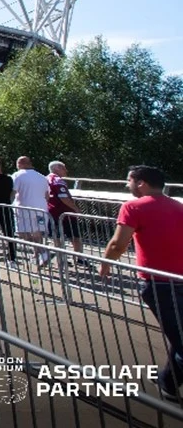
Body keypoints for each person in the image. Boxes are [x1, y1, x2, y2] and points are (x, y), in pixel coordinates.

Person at [102, 165, 183, 403]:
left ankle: (167, 384)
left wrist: (104, 264)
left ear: (141, 183)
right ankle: (167, 382)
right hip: (178, 281)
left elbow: (118, 244)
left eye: (129, 181)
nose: (127, 185)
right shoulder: (178, 206)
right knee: (179, 334)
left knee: (180, 338)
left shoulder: (132, 207)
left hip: (158, 284)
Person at [11, 156, 51, 261]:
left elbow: (13, 192)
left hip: (24, 209)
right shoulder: (42, 177)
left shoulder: (17, 175)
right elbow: (47, 195)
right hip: (41, 209)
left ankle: (42, 251)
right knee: (37, 232)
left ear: (20, 163)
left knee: (22, 233)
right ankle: (39, 255)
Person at [46, 161, 85, 255]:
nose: (66, 171)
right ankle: (79, 258)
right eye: (64, 168)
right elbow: (64, 197)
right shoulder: (58, 180)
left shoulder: (45, 179)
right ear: (57, 168)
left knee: (57, 237)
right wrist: (76, 209)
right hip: (65, 212)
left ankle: (61, 259)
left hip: (51, 212)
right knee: (75, 236)